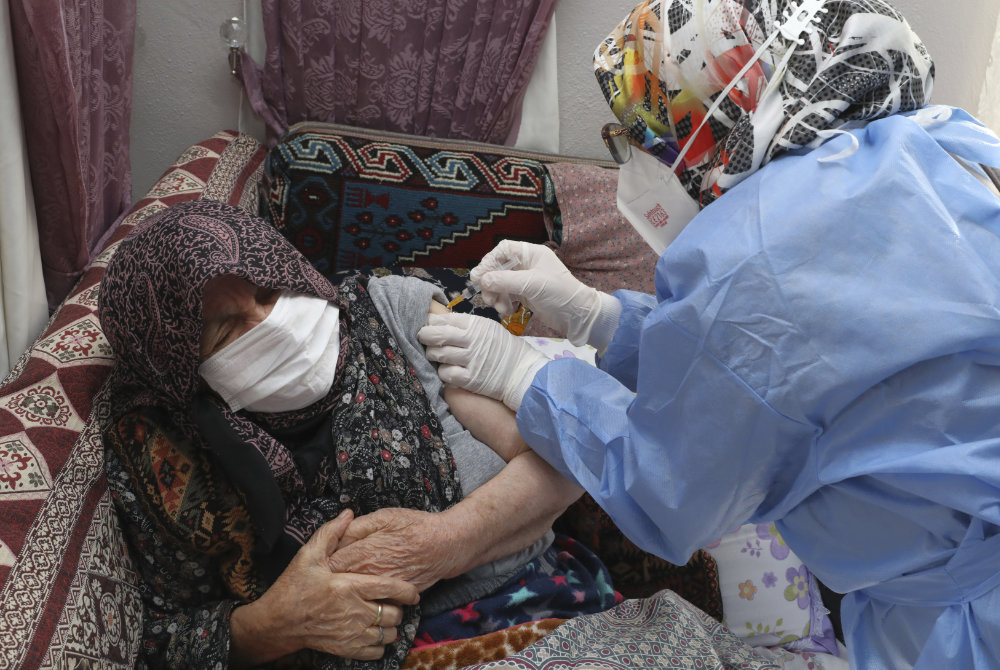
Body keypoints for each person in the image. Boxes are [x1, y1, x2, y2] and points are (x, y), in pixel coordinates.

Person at [417, 0, 1000, 668]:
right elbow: (807, 369)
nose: (637, 159)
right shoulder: (929, 148)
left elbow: (669, 492)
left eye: (639, 133)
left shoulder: (757, 254)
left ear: (725, 111)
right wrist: (600, 319)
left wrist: (529, 379)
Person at [97, 198, 618, 669]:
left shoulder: (391, 313)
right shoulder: (169, 454)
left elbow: (561, 462)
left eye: (269, 290)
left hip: (539, 609)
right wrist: (274, 624)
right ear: (180, 369)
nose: (270, 323)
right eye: (227, 329)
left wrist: (444, 542)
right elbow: (158, 642)